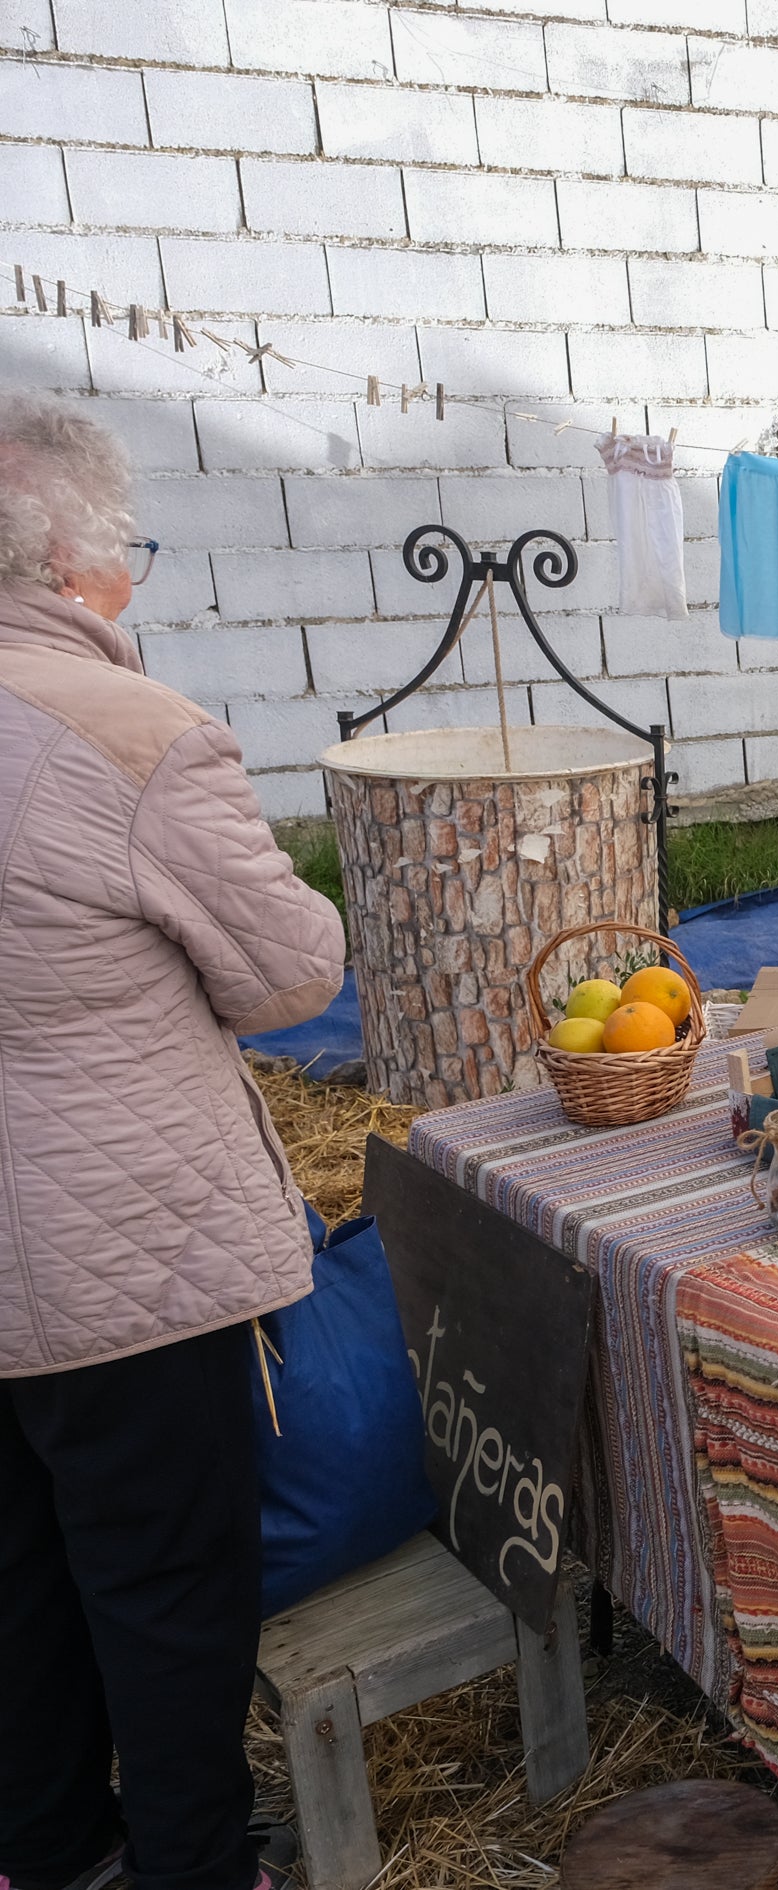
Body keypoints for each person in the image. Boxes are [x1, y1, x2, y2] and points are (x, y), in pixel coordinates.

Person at [0, 395, 344, 1890]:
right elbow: (290, 975)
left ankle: (54, 1846)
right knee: (164, 1587)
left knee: (17, 1572)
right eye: (125, 539)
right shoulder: (132, 733)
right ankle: (198, 1864)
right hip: (116, 1248)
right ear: (75, 560)